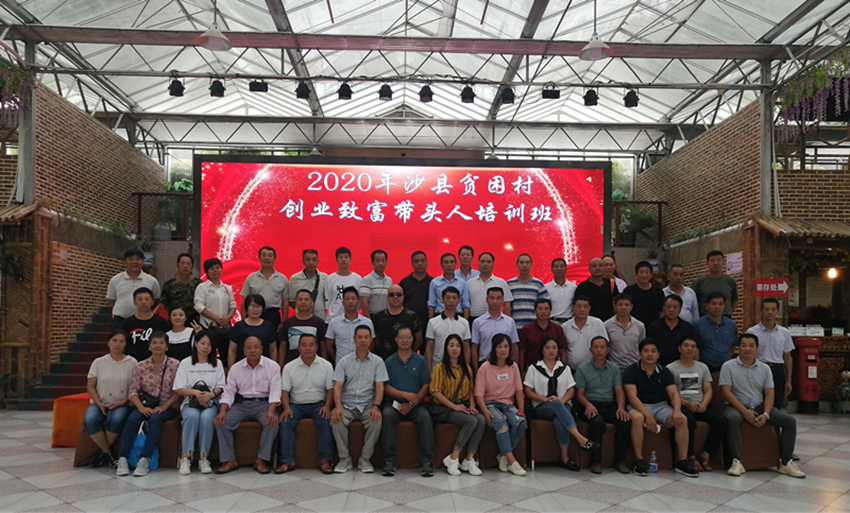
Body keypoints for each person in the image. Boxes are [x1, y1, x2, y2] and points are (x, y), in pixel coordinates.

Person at [720, 334, 805, 478]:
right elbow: (726, 392)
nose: (747, 349)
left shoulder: (765, 368)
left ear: (757, 348)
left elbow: (769, 393)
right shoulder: (728, 366)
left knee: (789, 421)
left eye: (751, 345)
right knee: (731, 418)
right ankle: (737, 461)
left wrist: (766, 414)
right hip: (736, 407)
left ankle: (786, 462)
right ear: (738, 348)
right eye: (744, 345)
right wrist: (744, 411)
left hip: (759, 406)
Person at [623, 338, 698, 478]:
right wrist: (648, 416)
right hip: (639, 406)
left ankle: (682, 461)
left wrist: (677, 411)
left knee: (682, 419)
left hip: (660, 405)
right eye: (646, 351)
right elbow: (632, 397)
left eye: (653, 351)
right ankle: (639, 461)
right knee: (637, 418)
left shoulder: (664, 371)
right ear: (640, 354)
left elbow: (673, 393)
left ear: (658, 354)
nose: (649, 354)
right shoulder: (631, 371)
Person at [524, 337, 599, 471]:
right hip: (542, 407)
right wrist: (545, 399)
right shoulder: (533, 368)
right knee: (558, 406)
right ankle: (581, 439)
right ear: (542, 350)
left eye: (554, 347)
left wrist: (562, 401)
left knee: (559, 419)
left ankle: (564, 458)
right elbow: (528, 391)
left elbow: (571, 390)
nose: (551, 351)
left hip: (563, 405)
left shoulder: (565, 368)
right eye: (547, 348)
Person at [214, 336, 282, 474]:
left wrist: (271, 410)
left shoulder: (272, 366)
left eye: (256, 347)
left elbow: (276, 391)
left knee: (272, 423)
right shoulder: (236, 368)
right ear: (244, 351)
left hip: (264, 404)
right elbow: (229, 392)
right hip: (241, 404)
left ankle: (261, 460)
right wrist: (222, 411)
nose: (253, 350)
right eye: (249, 348)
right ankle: (229, 460)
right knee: (221, 422)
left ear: (261, 349)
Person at [116, 332, 180, 477]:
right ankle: (123, 458)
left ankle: (145, 459)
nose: (158, 346)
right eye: (154, 343)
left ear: (167, 347)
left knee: (155, 420)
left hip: (168, 406)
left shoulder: (175, 365)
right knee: (132, 419)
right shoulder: (141, 365)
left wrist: (164, 406)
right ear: (149, 346)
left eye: (161, 343)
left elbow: (179, 390)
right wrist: (141, 408)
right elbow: (133, 391)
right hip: (144, 405)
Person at [331, 326, 388, 473]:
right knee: (336, 420)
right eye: (360, 337)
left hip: (368, 404)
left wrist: (376, 406)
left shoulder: (378, 362)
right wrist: (338, 407)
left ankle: (365, 459)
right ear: (354, 339)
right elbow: (337, 386)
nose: (363, 340)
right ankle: (344, 458)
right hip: (347, 404)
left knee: (376, 422)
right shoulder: (344, 361)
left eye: (366, 337)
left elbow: (380, 387)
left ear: (371, 340)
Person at [276, 333, 335, 475]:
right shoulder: (289, 367)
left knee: (326, 420)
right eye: (304, 345)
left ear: (316, 347)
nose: (308, 348)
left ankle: (325, 460)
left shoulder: (326, 365)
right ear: (299, 348)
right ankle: (287, 461)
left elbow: (331, 390)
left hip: (318, 404)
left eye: (311, 345)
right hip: (296, 405)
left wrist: (327, 407)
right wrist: (286, 408)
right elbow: (284, 391)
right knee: (286, 421)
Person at [667, 337, 727, 472]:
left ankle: (706, 453)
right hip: (682, 405)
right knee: (688, 421)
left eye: (693, 346)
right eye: (686, 345)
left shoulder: (702, 367)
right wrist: (687, 403)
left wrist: (704, 403)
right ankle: (690, 456)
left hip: (701, 405)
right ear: (679, 349)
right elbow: (671, 393)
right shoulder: (671, 368)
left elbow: (708, 389)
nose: (689, 349)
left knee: (721, 421)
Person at [381, 327, 434, 477]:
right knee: (387, 415)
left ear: (413, 339)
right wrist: (405, 395)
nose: (405, 340)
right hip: (393, 404)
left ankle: (427, 461)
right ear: (396, 340)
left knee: (425, 417)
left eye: (408, 337)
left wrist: (412, 403)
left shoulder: (420, 360)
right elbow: (386, 387)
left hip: (415, 406)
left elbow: (426, 384)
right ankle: (388, 461)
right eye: (401, 337)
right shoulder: (389, 361)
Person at [429, 334, 485, 476]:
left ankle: (469, 459)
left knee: (480, 419)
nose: (455, 349)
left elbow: (471, 390)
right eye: (451, 345)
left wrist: (472, 405)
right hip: (445, 407)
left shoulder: (467, 368)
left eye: (458, 346)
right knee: (470, 420)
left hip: (462, 406)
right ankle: (453, 457)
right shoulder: (439, 367)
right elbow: (435, 391)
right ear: (446, 348)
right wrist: (453, 407)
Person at [575, 336, 631, 474]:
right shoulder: (582, 368)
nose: (599, 350)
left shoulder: (614, 368)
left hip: (609, 404)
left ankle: (620, 460)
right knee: (597, 422)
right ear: (590, 350)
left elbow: (619, 391)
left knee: (624, 421)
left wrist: (621, 408)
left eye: (602, 347)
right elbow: (579, 394)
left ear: (608, 350)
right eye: (596, 347)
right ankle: (596, 460)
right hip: (589, 404)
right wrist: (588, 404)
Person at [173, 330, 226, 475]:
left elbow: (221, 386)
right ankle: (185, 457)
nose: (205, 347)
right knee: (192, 417)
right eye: (202, 343)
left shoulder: (217, 363)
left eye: (209, 344)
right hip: (190, 402)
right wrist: (197, 394)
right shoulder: (186, 363)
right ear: (196, 344)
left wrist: (210, 395)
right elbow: (179, 388)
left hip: (211, 402)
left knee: (207, 418)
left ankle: (204, 457)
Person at [475, 334, 527, 476]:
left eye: (506, 346)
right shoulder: (485, 367)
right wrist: (485, 411)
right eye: (499, 346)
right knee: (501, 423)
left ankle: (503, 455)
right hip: (490, 404)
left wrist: (521, 409)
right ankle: (512, 461)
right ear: (494, 348)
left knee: (521, 422)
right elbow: (478, 394)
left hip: (508, 404)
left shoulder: (513, 366)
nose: (503, 350)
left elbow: (519, 390)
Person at [84, 331, 137, 468]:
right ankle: (108, 453)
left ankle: (102, 454)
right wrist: (99, 403)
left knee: (116, 419)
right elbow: (91, 386)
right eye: (114, 340)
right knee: (90, 419)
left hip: (123, 403)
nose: (117, 344)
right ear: (108, 342)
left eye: (121, 341)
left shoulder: (132, 362)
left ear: (126, 344)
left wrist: (123, 402)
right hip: (100, 402)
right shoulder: (99, 362)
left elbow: (136, 387)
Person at [746, 298, 795, 402]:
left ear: (777, 311)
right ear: (761, 311)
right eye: (767, 309)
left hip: (777, 370)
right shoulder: (752, 332)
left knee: (776, 401)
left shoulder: (784, 332)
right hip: (758, 369)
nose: (770, 312)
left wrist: (789, 380)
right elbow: (747, 355)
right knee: (758, 401)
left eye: (773, 309)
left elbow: (787, 357)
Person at [194, 258, 237, 364]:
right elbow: (199, 306)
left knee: (226, 356)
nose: (215, 270)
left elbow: (233, 305)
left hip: (225, 328)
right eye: (212, 268)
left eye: (218, 268)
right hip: (208, 327)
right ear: (207, 272)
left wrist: (228, 318)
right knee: (208, 356)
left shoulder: (226, 288)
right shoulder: (202, 287)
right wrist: (216, 319)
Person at [107, 249, 161, 330]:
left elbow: (156, 300)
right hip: (121, 320)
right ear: (125, 262)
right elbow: (111, 300)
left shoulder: (152, 281)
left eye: (138, 259)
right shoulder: (115, 280)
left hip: (144, 320)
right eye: (131, 259)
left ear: (142, 262)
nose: (134, 262)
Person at [470, 287, 519, 372]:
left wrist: (516, 368)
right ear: (487, 299)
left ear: (502, 300)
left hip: (506, 364)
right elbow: (474, 348)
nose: (495, 301)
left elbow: (514, 345)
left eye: (498, 298)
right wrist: (476, 370)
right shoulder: (478, 322)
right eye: (492, 298)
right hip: (485, 364)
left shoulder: (510, 322)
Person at [241, 246, 289, 330]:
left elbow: (285, 302)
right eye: (264, 255)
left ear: (275, 259)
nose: (267, 258)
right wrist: (243, 320)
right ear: (259, 258)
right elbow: (244, 300)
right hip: (254, 314)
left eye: (270, 255)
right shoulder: (251, 277)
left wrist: (284, 322)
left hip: (273, 315)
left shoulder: (282, 278)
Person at [424, 287, 471, 370]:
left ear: (459, 301)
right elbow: (429, 348)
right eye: (448, 298)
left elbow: (466, 348)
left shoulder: (464, 323)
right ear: (442, 300)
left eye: (454, 298)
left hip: (458, 368)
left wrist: (466, 369)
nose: (451, 301)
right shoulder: (432, 322)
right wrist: (429, 370)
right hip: (438, 367)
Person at [371, 285, 423, 359]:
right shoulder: (378, 317)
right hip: (383, 360)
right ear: (387, 298)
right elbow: (375, 340)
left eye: (398, 294)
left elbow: (418, 339)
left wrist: (409, 355)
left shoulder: (412, 316)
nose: (395, 297)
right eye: (391, 294)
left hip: (406, 360)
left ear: (403, 297)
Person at [325, 287, 375, 364]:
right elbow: (328, 346)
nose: (350, 301)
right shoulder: (334, 322)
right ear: (343, 303)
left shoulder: (367, 322)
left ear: (358, 302)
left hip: (363, 363)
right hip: (341, 364)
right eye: (347, 299)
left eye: (353, 298)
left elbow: (372, 344)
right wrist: (338, 359)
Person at [692, 292, 739, 373]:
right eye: (713, 304)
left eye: (720, 304)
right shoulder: (698, 325)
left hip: (726, 369)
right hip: (705, 368)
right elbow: (694, 347)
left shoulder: (732, 325)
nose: (717, 307)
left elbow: (733, 346)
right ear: (707, 306)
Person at [120, 288, 170, 362]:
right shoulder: (127, 323)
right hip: (131, 362)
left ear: (152, 302)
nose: (143, 302)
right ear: (134, 302)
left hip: (156, 362)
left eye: (147, 299)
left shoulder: (161, 322)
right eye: (140, 299)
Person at [278, 289, 327, 366]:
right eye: (300, 299)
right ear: (295, 302)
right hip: (292, 364)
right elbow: (283, 346)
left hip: (313, 364)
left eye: (306, 299)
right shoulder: (288, 322)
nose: (303, 302)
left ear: (311, 302)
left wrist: (324, 364)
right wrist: (280, 366)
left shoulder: (319, 322)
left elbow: (323, 346)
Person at [228, 294, 278, 368]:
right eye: (252, 306)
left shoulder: (268, 326)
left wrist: (274, 367)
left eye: (258, 306)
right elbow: (232, 351)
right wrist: (231, 370)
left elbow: (273, 350)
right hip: (242, 367)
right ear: (246, 308)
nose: (255, 309)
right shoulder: (239, 326)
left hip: (264, 367)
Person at [519, 299, 567, 371]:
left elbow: (562, 352)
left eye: (546, 309)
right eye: (540, 308)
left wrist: (563, 370)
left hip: (553, 369)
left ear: (550, 311)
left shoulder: (557, 329)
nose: (543, 311)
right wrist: (522, 371)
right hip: (532, 368)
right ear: (535, 311)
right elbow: (522, 352)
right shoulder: (527, 329)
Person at [647, 295, 695, 366]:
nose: (671, 310)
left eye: (675, 307)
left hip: (681, 366)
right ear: (663, 308)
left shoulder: (687, 328)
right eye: (668, 307)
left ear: (680, 309)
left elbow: (693, 349)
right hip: (659, 366)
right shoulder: (654, 326)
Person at [507, 253, 550, 331]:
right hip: (516, 327)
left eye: (527, 262)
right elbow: (507, 307)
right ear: (517, 265)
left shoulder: (538, 284)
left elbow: (546, 304)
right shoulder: (510, 284)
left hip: (535, 327)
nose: (524, 265)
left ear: (531, 265)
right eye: (521, 262)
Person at [564, 295, 607, 372]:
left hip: (594, 370)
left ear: (589, 308)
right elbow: (563, 351)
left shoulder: (598, 323)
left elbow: (604, 347)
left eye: (585, 307)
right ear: (573, 308)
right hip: (571, 370)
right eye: (579, 306)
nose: (582, 309)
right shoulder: (565, 327)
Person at [467, 252, 512, 321]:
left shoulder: (501, 282)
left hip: (496, 319)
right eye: (482, 261)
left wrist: (505, 321)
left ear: (493, 264)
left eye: (488, 262)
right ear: (478, 264)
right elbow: (466, 304)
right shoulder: (469, 283)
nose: (485, 264)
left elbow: (507, 304)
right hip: (473, 320)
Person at [604, 293, 645, 371]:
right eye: (620, 305)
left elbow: (642, 347)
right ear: (615, 306)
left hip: (635, 368)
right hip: (614, 369)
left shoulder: (640, 325)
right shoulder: (606, 325)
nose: (623, 307)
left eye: (627, 305)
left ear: (631, 307)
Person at [692, 250, 739, 317]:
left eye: (719, 260)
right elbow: (694, 302)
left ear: (723, 262)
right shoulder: (699, 282)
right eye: (713, 260)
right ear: (707, 263)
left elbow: (734, 300)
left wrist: (728, 312)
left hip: (725, 317)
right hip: (705, 318)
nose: (716, 263)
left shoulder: (730, 281)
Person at [324, 246, 362, 323]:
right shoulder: (329, 279)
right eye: (340, 257)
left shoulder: (357, 278)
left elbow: (359, 301)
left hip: (353, 320)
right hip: (333, 319)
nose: (343, 259)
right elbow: (328, 301)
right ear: (336, 260)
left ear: (350, 260)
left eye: (346, 257)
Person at [427, 253, 470, 319]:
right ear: (441, 265)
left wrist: (465, 321)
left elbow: (465, 303)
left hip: (458, 316)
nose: (449, 265)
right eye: (446, 262)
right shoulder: (434, 282)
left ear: (455, 264)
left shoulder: (462, 283)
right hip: (439, 316)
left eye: (451, 262)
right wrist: (431, 321)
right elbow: (432, 303)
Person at [623, 261, 665, 328]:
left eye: (647, 272)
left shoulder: (658, 291)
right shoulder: (629, 291)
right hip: (634, 327)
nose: (644, 275)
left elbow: (661, 311)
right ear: (636, 275)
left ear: (651, 275)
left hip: (653, 327)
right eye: (641, 272)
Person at [288, 249, 328, 320]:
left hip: (321, 319)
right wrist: (304, 308)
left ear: (318, 261)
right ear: (303, 261)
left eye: (314, 260)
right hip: (301, 319)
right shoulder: (295, 279)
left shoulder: (325, 277)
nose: (311, 263)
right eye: (308, 260)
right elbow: (291, 301)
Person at [160, 253, 202, 319]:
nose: (185, 266)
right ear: (177, 266)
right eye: (182, 263)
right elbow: (166, 304)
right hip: (175, 319)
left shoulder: (199, 283)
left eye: (188, 264)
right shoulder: (169, 284)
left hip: (194, 320)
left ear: (192, 267)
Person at [399, 250, 433, 330]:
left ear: (427, 262)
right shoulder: (404, 282)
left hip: (428, 323)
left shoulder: (433, 282)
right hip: (407, 323)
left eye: (422, 260)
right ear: (412, 264)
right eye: (416, 261)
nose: (420, 263)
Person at [360, 249, 392, 318]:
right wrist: (368, 320)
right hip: (373, 316)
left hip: (388, 317)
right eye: (377, 261)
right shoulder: (367, 280)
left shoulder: (389, 280)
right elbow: (364, 302)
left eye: (383, 260)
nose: (380, 263)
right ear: (372, 262)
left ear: (386, 262)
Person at [545, 258, 576, 324]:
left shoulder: (573, 287)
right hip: (552, 322)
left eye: (561, 266)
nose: (559, 269)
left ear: (566, 269)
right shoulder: (546, 288)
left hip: (569, 322)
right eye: (556, 267)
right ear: (552, 270)